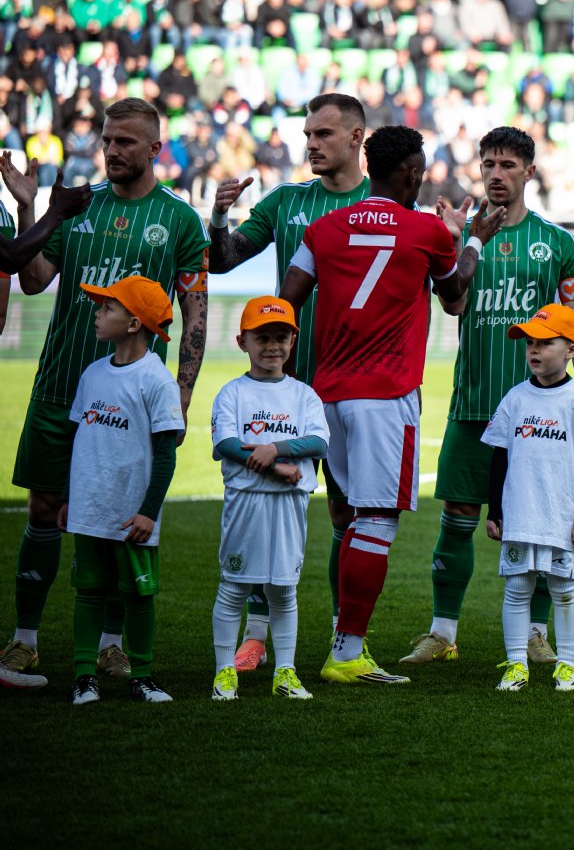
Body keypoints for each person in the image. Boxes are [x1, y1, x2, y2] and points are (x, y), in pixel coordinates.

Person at [279, 125, 502, 685]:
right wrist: (473, 240)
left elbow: (287, 300)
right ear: (411, 172)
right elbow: (454, 295)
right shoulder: (426, 230)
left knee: (354, 518)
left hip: (328, 394)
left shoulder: (324, 227)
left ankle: (336, 640)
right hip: (385, 394)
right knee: (376, 522)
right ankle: (347, 652)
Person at [2, 98, 209, 687]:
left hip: (132, 404)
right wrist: (28, 206)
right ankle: (25, 642)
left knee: (122, 520)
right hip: (60, 384)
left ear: (155, 149)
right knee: (43, 511)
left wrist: (183, 393)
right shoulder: (78, 205)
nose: (112, 150)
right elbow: (34, 281)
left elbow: (194, 311)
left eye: (125, 142)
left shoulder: (180, 220)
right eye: (107, 140)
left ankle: (113, 647)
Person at [402, 126, 574, 665]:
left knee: (542, 525)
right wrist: (458, 243)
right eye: (488, 164)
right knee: (458, 515)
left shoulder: (557, 242)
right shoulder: (463, 238)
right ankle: (442, 632)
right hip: (474, 402)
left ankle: (534, 633)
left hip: (541, 413)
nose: (496, 174)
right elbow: (453, 305)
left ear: (529, 172)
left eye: (508, 165)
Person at [208, 92, 369, 672]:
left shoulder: (382, 206)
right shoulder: (286, 201)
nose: (311, 144)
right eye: (308, 134)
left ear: (356, 138)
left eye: (324, 134)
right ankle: (255, 634)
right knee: (265, 505)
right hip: (283, 384)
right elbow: (222, 260)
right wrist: (219, 217)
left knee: (347, 513)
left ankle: (342, 635)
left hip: (356, 384)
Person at [65, 277, 184, 705]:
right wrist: (68, 497)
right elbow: (78, 439)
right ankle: (84, 676)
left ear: (134, 323)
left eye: (107, 308)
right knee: (89, 591)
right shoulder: (92, 374)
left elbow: (166, 455)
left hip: (132, 513)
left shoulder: (157, 380)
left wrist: (149, 511)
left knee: (138, 593)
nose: (97, 314)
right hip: (89, 508)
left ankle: (143, 676)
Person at [208, 296, 329, 701]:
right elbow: (226, 443)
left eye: (281, 337)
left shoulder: (304, 395)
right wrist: (276, 467)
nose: (272, 346)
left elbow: (319, 441)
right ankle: (224, 672)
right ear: (242, 341)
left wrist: (275, 448)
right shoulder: (232, 393)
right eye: (262, 338)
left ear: (293, 340)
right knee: (234, 586)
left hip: (289, 505)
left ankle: (286, 672)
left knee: (283, 590)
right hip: (246, 501)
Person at [488, 304, 574, 692]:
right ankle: (516, 664)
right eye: (530, 343)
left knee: (564, 591)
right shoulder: (515, 399)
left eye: (545, 343)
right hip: (520, 515)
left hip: (561, 517)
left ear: (572, 350)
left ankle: (568, 666)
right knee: (517, 590)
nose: (534, 350)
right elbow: (499, 458)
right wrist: (494, 510)